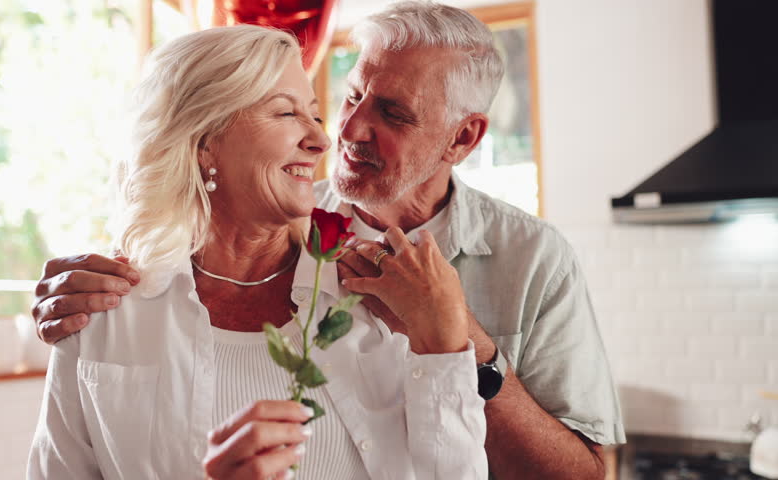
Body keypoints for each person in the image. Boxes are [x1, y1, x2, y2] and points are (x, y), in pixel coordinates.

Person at [32, 2, 626, 478]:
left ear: (463, 138)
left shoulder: (527, 260)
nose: (342, 132)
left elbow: (572, 473)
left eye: (393, 113)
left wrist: (459, 340)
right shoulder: (128, 300)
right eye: (349, 97)